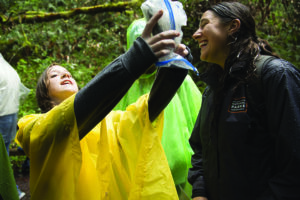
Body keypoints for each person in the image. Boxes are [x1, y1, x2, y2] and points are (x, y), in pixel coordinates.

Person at [15, 10, 191, 200]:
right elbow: (66, 124)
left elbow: (145, 114)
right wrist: (135, 58)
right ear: (44, 95)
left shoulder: (109, 121)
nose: (66, 75)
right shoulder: (30, 127)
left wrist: (174, 66)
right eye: (54, 75)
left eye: (68, 73)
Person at [188, 2, 300, 200]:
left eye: (204, 24)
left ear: (233, 26)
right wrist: (199, 192)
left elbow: (294, 163)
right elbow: (200, 149)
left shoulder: (275, 76)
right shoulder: (213, 89)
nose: (196, 34)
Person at [114, 18, 202, 199]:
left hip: (181, 178)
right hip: (139, 180)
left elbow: (197, 117)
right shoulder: (124, 83)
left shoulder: (176, 76)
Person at [0, 53, 28, 199]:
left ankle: (12, 192)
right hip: (10, 115)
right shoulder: (7, 69)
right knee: (4, 155)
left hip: (3, 116)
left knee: (2, 157)